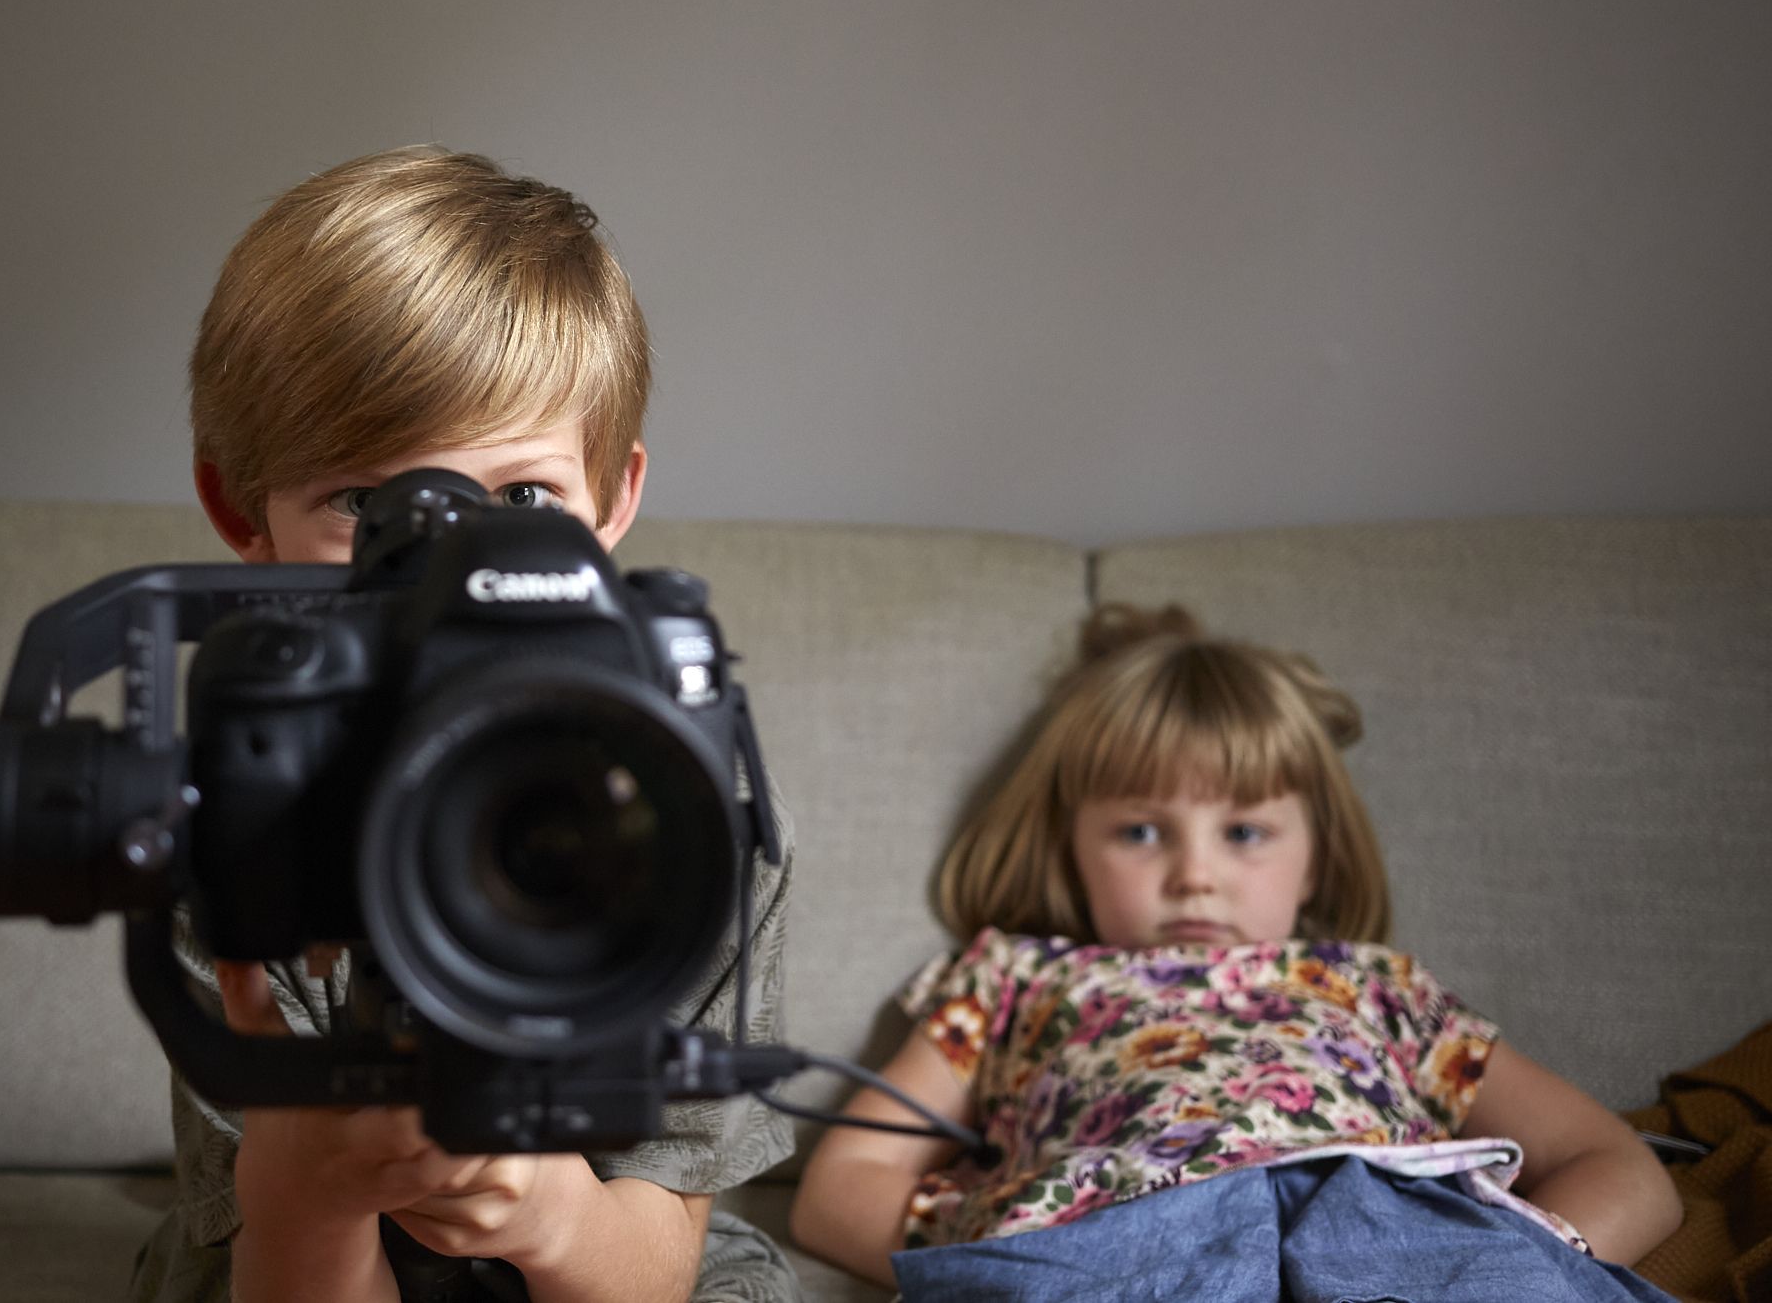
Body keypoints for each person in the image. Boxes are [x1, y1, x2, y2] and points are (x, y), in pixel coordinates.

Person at [130, 146, 801, 1303]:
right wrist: (311, 1184)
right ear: (241, 512)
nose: (449, 560)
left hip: (600, 1235)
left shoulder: (687, 790)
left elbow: (652, 1252)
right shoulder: (240, 797)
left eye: (525, 501)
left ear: (614, 497)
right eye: (364, 503)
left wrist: (546, 1211)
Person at [790, 603, 1683, 1301]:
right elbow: (844, 1185)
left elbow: (1622, 1170)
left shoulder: (1379, 988)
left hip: (1383, 1226)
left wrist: (1524, 1262)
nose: (1195, 876)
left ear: (1318, 850)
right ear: (1070, 845)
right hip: (1115, 1240)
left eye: (1246, 830)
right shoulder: (1014, 979)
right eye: (1141, 830)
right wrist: (999, 1244)